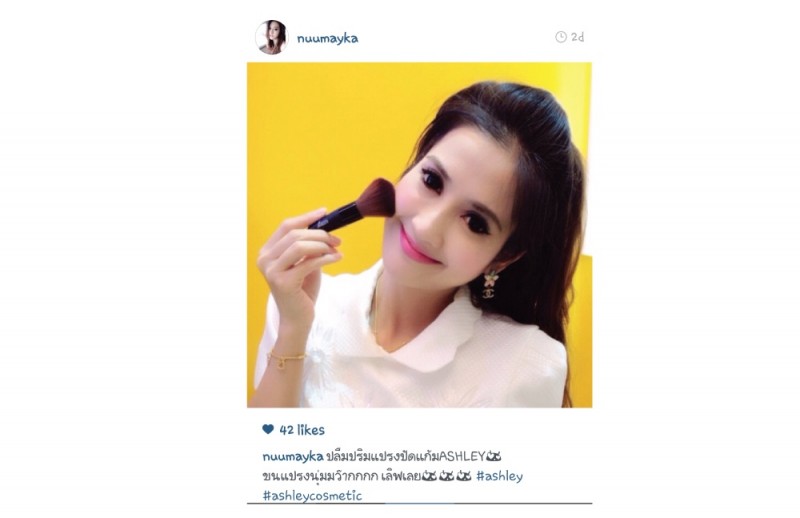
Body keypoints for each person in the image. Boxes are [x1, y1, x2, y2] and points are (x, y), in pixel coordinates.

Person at [250, 81, 585, 408]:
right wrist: (293, 329)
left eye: (475, 222)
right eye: (431, 180)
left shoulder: (525, 366)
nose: (426, 228)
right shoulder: (302, 304)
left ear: (503, 256)